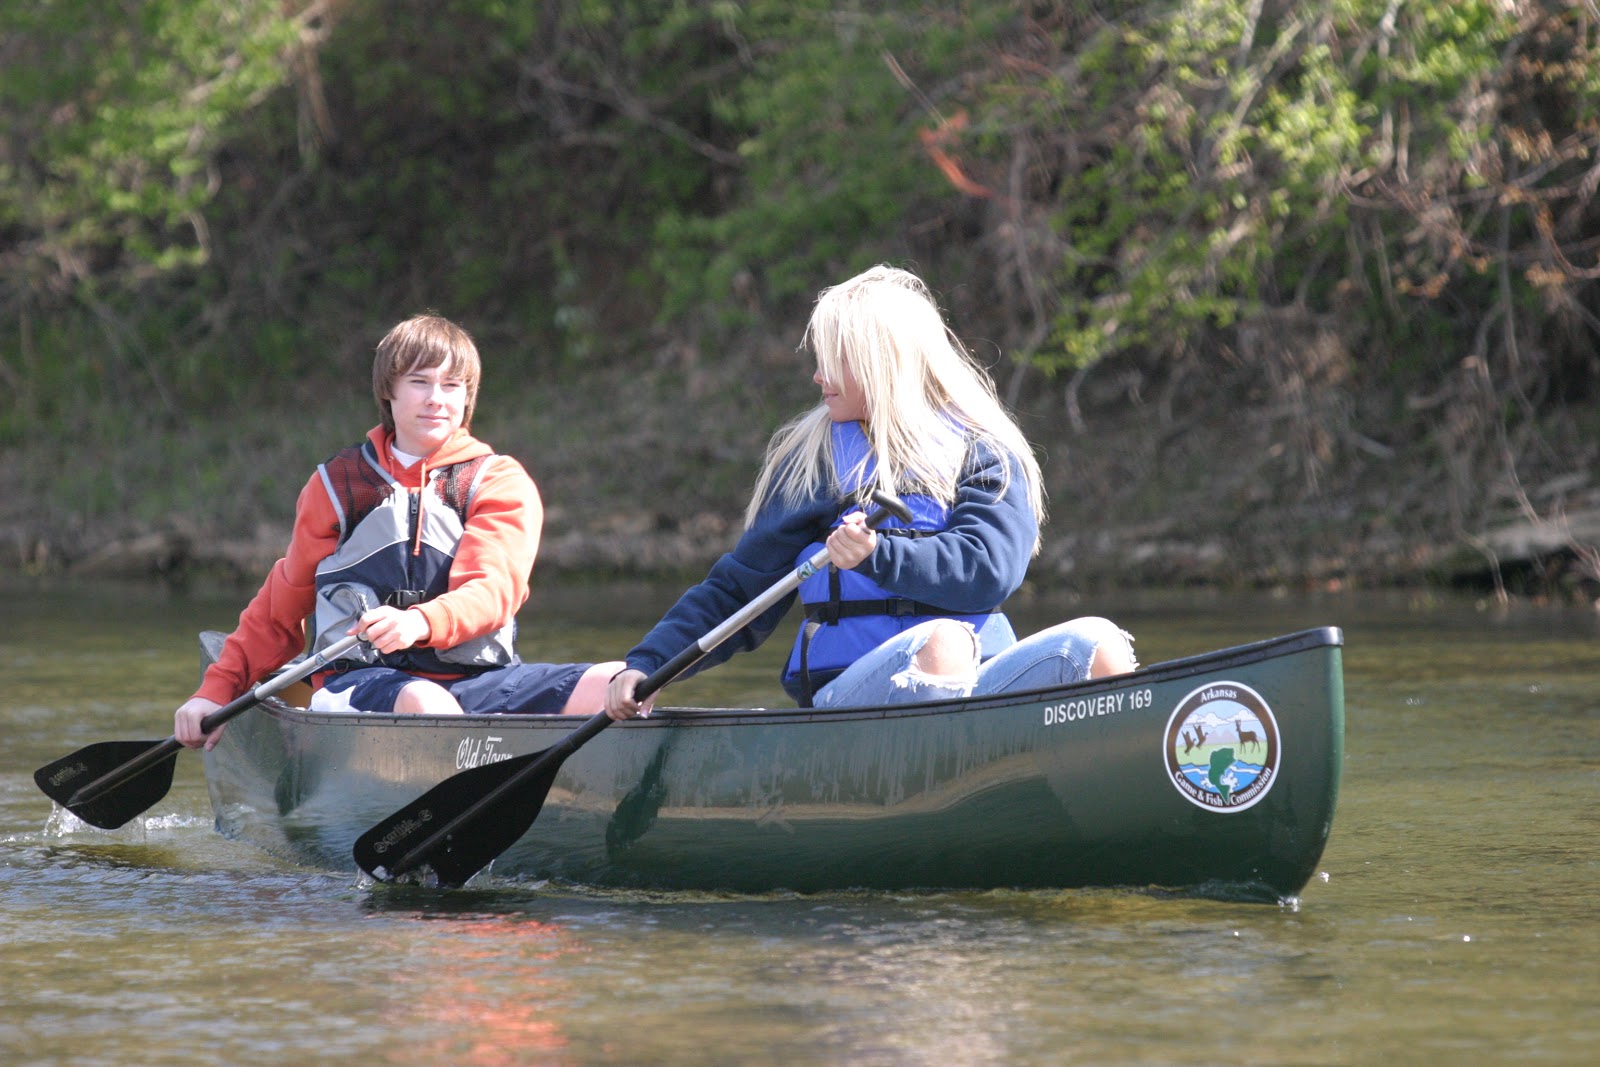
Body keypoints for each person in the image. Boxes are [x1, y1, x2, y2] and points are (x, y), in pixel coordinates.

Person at [604, 265, 1134, 720]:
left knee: (1097, 643)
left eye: (836, 361)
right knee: (941, 645)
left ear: (886, 365)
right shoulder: (812, 463)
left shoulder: (984, 451)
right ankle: (936, 806)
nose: (816, 376)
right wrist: (648, 666)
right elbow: (739, 591)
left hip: (980, 686)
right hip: (852, 700)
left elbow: (988, 570)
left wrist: (878, 556)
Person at [175, 313, 622, 750]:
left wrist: (420, 622)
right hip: (360, 682)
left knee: (619, 681)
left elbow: (494, 590)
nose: (437, 399)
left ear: (468, 397)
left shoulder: (498, 480)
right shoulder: (337, 485)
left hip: (476, 683)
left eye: (452, 386)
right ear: (388, 391)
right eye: (420, 382)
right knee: (426, 701)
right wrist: (215, 689)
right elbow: (281, 608)